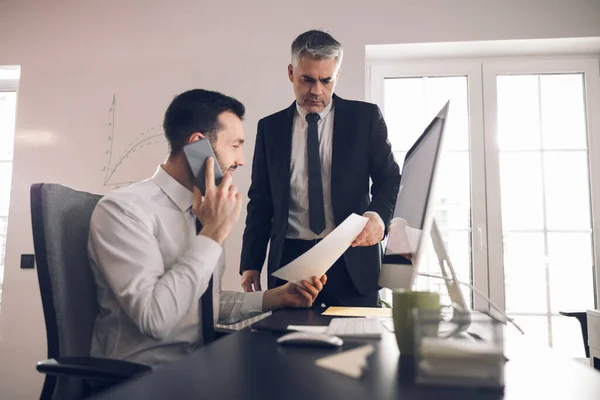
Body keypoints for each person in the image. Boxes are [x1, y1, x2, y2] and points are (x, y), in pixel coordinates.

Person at [88, 89, 326, 367]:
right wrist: (212, 234)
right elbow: (157, 319)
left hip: (201, 367)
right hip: (142, 378)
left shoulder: (203, 211)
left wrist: (275, 298)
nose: (242, 160)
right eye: (235, 145)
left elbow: (201, 306)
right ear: (198, 146)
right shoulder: (124, 211)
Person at [240, 30, 400, 307]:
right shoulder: (269, 129)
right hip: (290, 262)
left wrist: (378, 217)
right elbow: (261, 201)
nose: (316, 90)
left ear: (337, 76)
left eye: (326, 80)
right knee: (285, 346)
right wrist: (250, 262)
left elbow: (390, 180)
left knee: (357, 346)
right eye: (307, 79)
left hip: (352, 260)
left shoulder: (365, 119)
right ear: (291, 72)